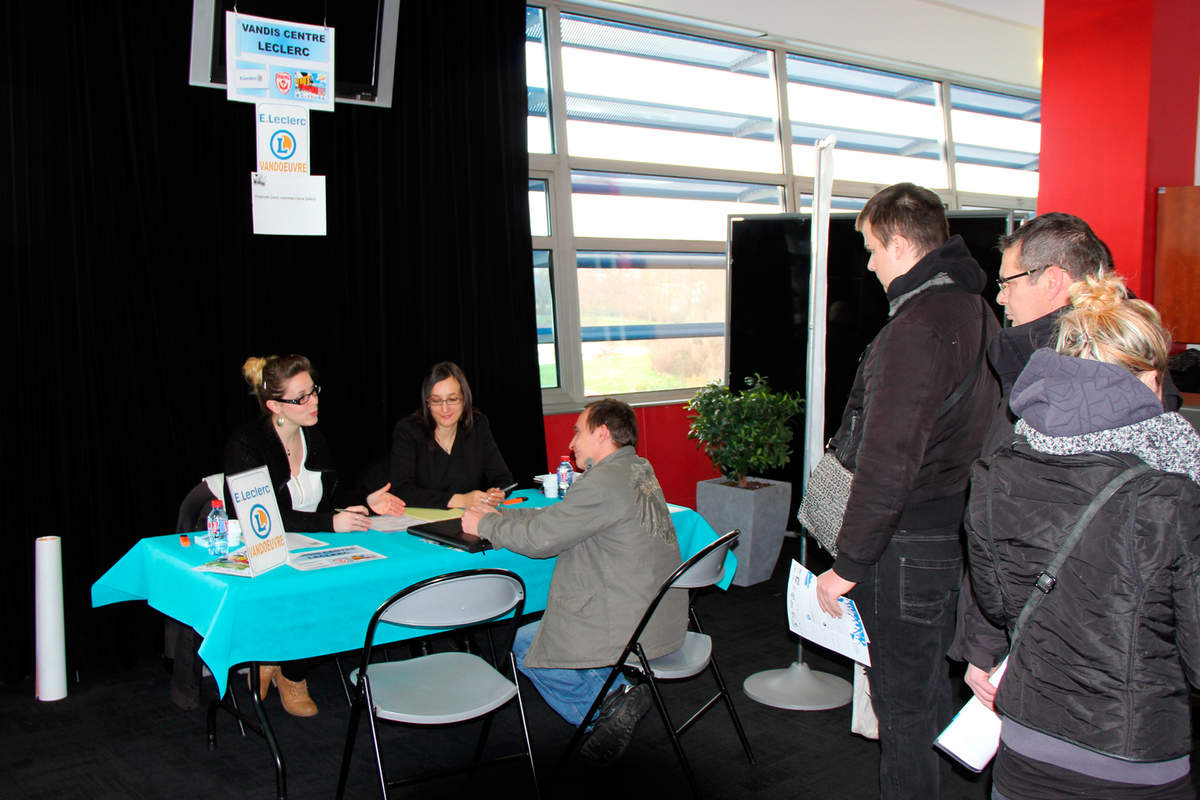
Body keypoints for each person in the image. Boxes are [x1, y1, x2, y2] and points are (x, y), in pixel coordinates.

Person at [962, 274, 1200, 799]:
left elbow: (1000, 606)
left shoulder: (997, 471)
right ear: (1149, 379)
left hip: (1026, 742)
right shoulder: (1174, 493)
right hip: (1134, 757)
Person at [813, 183, 999, 799]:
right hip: (951, 533)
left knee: (905, 710)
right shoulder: (973, 308)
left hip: (905, 546)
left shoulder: (918, 327)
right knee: (927, 694)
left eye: (870, 248)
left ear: (899, 242)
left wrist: (848, 564)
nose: (867, 264)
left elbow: (888, 463)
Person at [952, 212, 1182, 703]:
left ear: (1054, 280)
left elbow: (1008, 526)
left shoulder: (1046, 386)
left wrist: (983, 643)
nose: (1000, 296)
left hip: (1048, 641)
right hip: (1124, 653)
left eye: (1008, 280)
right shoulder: (1141, 369)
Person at [462, 398, 687, 763]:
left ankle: (611, 707)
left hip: (630, 623)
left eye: (578, 432)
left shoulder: (602, 483)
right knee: (549, 628)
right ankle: (617, 700)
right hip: (660, 614)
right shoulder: (637, 467)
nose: (571, 443)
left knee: (525, 645)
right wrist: (505, 517)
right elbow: (558, 522)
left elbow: (541, 541)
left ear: (602, 433)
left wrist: (484, 524)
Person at [225, 354, 406, 716]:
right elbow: (262, 516)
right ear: (275, 405)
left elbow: (331, 498)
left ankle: (289, 668)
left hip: (310, 546)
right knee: (324, 591)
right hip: (263, 550)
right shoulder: (246, 443)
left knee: (355, 585)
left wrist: (366, 501)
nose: (314, 402)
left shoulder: (315, 437)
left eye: (314, 392)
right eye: (302, 397)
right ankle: (274, 657)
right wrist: (330, 523)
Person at [388, 361, 513, 509]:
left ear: (464, 399)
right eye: (436, 400)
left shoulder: (478, 425)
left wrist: (497, 493)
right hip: (421, 521)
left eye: (452, 399)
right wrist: (460, 500)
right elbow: (401, 490)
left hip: (468, 519)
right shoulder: (408, 430)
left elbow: (503, 478)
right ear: (427, 402)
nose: (445, 409)